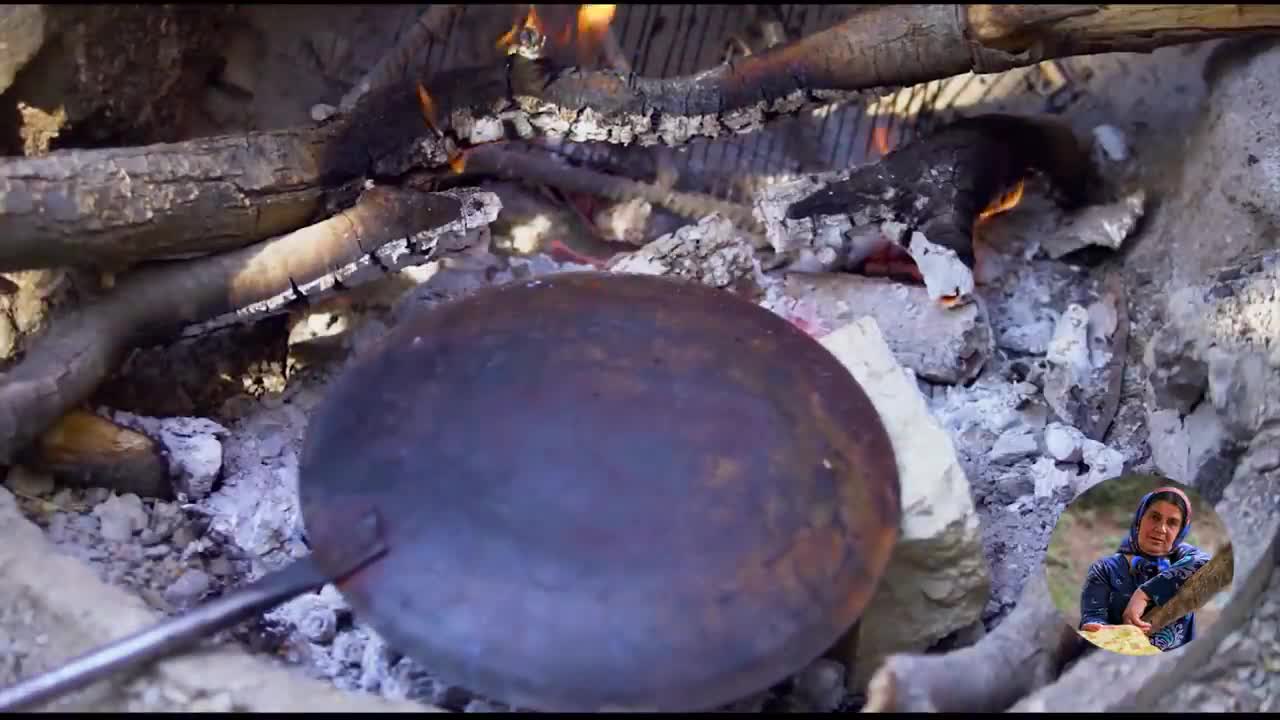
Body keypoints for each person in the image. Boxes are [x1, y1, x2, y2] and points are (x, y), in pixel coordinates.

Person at [1078, 485, 1211, 651]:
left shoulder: (1183, 558)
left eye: (1172, 523)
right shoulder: (1105, 569)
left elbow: (1207, 562)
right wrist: (1101, 630)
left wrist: (1145, 593)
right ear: (1140, 519)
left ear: (1181, 531)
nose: (1161, 529)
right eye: (1154, 517)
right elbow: (1093, 618)